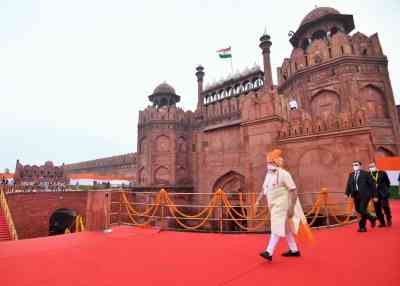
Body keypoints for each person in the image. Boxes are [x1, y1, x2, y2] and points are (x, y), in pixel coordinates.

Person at [255, 149, 312, 261]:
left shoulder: (284, 174)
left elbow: (293, 191)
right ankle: (294, 250)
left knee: (276, 225)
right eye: (267, 162)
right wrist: (257, 201)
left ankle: (269, 252)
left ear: (276, 162)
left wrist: (291, 208)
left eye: (270, 162)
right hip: (273, 205)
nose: (268, 164)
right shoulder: (268, 174)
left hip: (283, 205)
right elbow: (264, 189)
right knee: (286, 229)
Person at [345, 161, 377, 232]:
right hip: (355, 195)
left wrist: (375, 196)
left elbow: (372, 185)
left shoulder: (366, 174)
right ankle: (366, 223)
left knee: (362, 209)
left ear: (360, 166)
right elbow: (349, 184)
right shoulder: (351, 174)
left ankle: (367, 222)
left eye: (356, 165)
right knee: (358, 211)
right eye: (353, 165)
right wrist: (346, 193)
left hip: (365, 194)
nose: (354, 166)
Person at [369, 162, 392, 227]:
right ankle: (382, 223)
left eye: (372, 166)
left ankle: (389, 218)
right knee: (377, 209)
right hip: (375, 194)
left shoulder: (382, 173)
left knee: (385, 206)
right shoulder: (368, 175)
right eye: (370, 166)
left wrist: (385, 189)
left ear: (375, 166)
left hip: (383, 193)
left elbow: (388, 182)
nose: (371, 167)